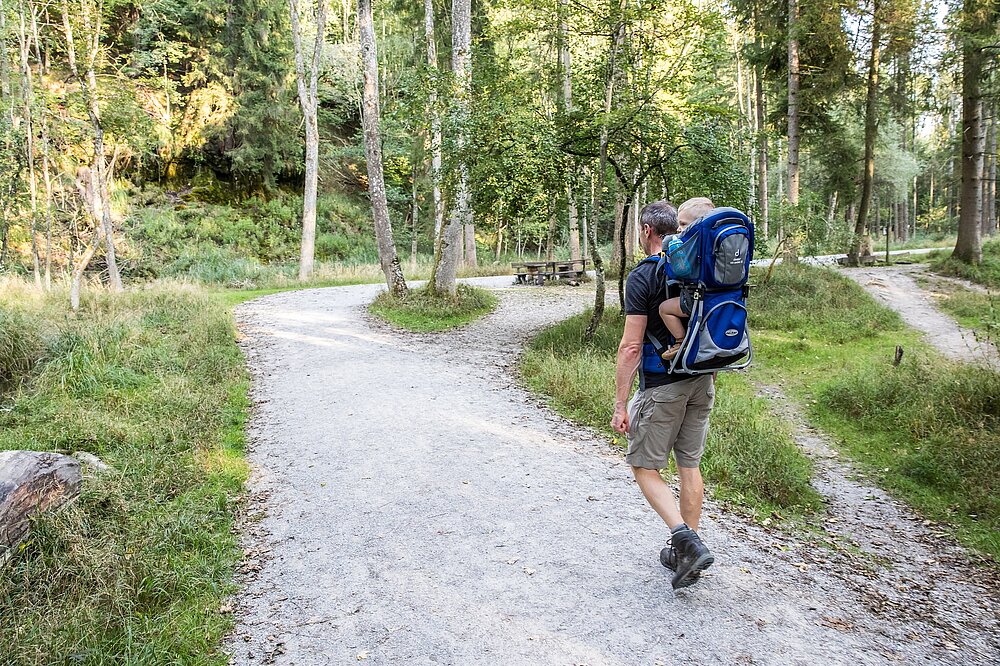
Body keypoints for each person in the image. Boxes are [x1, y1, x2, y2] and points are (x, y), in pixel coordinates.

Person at [611, 198, 717, 590]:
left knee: (644, 466)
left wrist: (621, 404)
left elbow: (631, 347)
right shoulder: (704, 269)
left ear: (645, 231)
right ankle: (685, 549)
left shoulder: (645, 275)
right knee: (689, 465)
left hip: (662, 386)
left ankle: (684, 541)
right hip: (702, 379)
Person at [657, 198, 716, 360]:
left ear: (697, 225)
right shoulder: (716, 245)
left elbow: (679, 272)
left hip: (697, 300)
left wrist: (672, 251)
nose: (678, 228)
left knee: (664, 308)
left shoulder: (692, 246)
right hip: (721, 299)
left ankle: (680, 341)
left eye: (683, 224)